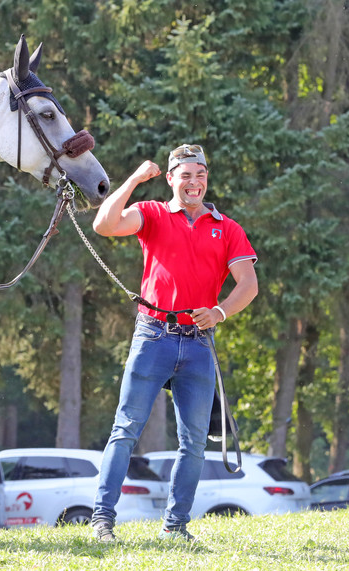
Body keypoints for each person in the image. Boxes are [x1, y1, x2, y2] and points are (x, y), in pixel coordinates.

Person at [90, 144, 258, 542]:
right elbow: (104, 224)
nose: (194, 182)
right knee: (125, 429)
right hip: (153, 336)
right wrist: (133, 179)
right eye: (185, 175)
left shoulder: (227, 227)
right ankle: (102, 520)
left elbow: (248, 285)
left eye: (200, 174)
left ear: (206, 178)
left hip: (199, 343)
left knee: (194, 443)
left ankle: (175, 527)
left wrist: (219, 312)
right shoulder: (151, 213)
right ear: (170, 179)